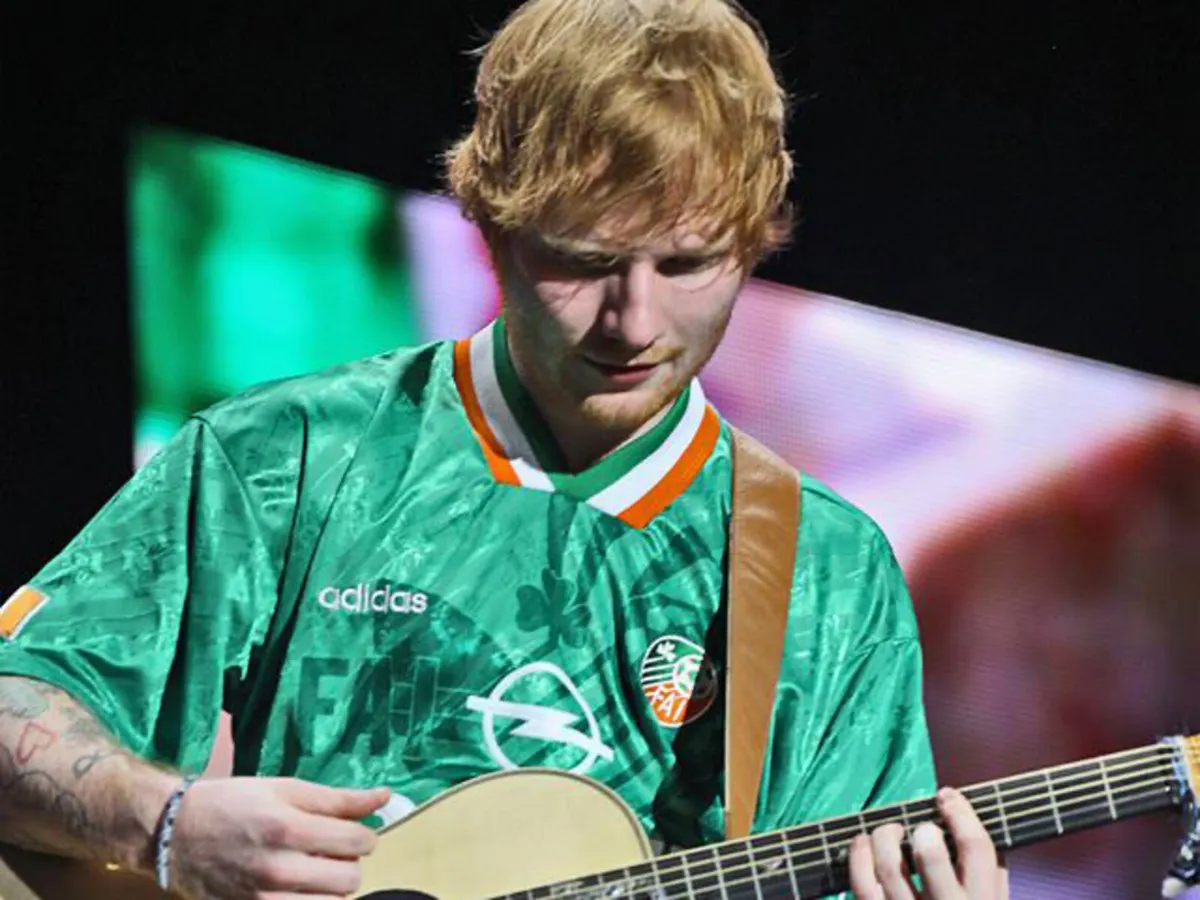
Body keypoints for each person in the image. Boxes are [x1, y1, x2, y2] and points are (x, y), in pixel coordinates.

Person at [0, 1, 1006, 897]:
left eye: (690, 263)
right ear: (490, 225)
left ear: (755, 241)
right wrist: (165, 825)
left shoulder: (829, 572)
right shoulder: (292, 454)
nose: (635, 321)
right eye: (583, 261)